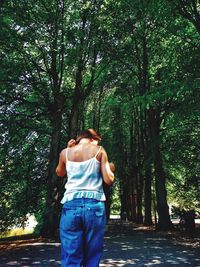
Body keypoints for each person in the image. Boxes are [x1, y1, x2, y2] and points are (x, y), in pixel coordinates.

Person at [56, 129, 115, 267]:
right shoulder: (99, 150)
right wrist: (111, 168)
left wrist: (68, 149)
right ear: (92, 139)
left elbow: (60, 172)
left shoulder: (65, 152)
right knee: (92, 256)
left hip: (71, 206)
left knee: (71, 256)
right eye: (96, 140)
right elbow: (108, 180)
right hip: (94, 206)